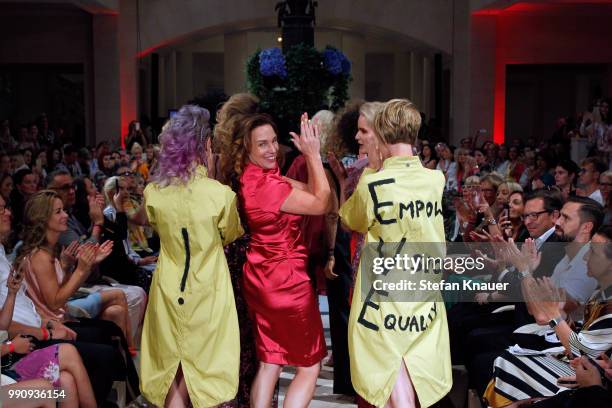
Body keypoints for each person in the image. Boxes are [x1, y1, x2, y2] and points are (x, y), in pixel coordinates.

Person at [217, 98, 330, 406]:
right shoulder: (271, 187)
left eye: (273, 142)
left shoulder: (253, 178)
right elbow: (323, 203)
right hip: (286, 282)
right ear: (247, 149)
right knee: (309, 365)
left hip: (260, 277)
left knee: (270, 362)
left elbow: (306, 191)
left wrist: (308, 174)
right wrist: (313, 155)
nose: (271, 150)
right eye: (262, 144)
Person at [339, 99, 451, 407]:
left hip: (383, 291)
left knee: (390, 368)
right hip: (423, 289)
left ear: (382, 133)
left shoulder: (373, 184)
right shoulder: (435, 179)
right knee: (410, 366)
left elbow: (351, 219)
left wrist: (371, 170)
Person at [139, 105, 244, 407]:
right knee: (203, 366)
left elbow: (156, 227)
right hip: (208, 288)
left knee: (171, 363)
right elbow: (230, 233)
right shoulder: (220, 195)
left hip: (167, 287)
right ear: (206, 145)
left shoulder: (154, 193)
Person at [1, 270, 96, 408]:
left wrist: (11, 293)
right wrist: (11, 347)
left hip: (6, 371)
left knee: (66, 382)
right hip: (4, 386)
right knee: (45, 390)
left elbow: (2, 327)